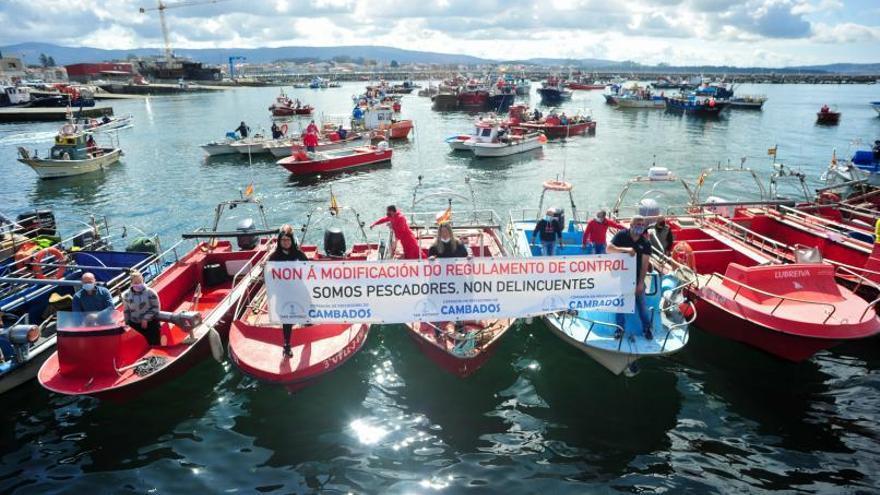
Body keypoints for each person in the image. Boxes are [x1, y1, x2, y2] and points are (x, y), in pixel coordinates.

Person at [608, 215, 654, 340]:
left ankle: (647, 328)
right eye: (637, 224)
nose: (640, 227)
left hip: (637, 279)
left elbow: (645, 265)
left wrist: (640, 283)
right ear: (631, 225)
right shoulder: (621, 235)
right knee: (620, 305)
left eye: (642, 225)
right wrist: (626, 250)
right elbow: (609, 249)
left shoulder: (645, 243)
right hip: (621, 279)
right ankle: (619, 329)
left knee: (641, 305)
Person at [269, 225, 308, 357]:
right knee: (287, 318)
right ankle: (287, 345)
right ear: (279, 241)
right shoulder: (274, 257)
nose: (285, 242)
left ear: (292, 241)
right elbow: (269, 276)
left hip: (299, 288)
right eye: (283, 240)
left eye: (288, 240)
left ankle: (307, 326)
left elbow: (309, 268)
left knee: (306, 309)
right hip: (283, 292)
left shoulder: (299, 254)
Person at [122, 270, 162, 346]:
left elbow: (156, 308)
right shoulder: (126, 295)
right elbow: (126, 311)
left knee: (155, 345)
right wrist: (127, 324)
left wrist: (145, 318)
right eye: (135, 282)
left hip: (151, 324)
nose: (138, 284)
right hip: (135, 325)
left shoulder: (151, 292)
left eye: (140, 282)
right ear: (131, 283)